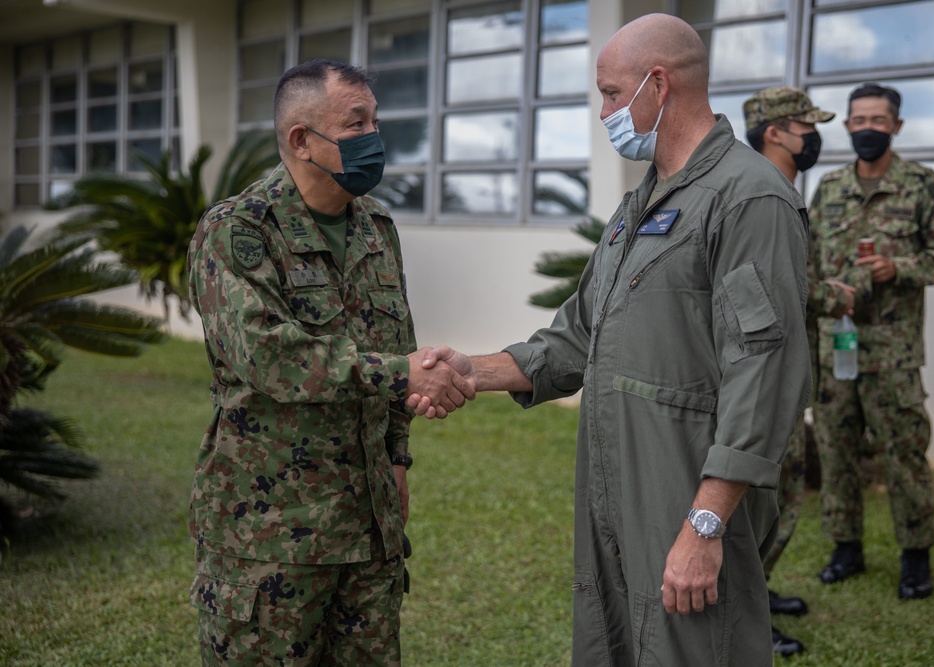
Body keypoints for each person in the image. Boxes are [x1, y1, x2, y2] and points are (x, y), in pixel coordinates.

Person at [411, 15, 811, 666]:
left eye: (608, 92)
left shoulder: (749, 199)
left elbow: (763, 370)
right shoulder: (638, 208)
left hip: (685, 501)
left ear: (658, 84)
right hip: (617, 496)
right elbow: (576, 337)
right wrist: (471, 370)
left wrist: (704, 525)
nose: (602, 112)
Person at [186, 59, 474, 666]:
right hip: (271, 533)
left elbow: (399, 341)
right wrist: (403, 374)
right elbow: (268, 355)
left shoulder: (375, 226)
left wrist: (398, 455)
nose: (374, 137)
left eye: (375, 120)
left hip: (368, 528)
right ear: (301, 140)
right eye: (356, 123)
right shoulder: (237, 231)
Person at [808, 82, 934, 600]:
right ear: (847, 126)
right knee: (836, 452)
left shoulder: (921, 184)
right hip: (836, 351)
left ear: (896, 126)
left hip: (892, 353)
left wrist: (898, 267)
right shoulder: (828, 188)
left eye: (878, 120)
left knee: (904, 455)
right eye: (858, 121)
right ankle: (845, 547)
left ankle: (915, 559)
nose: (867, 129)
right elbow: (806, 261)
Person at [742, 85, 853, 657]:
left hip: (782, 373)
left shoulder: (775, 189)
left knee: (778, 494)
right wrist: (833, 295)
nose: (814, 135)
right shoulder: (760, 193)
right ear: (775, 132)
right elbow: (776, 287)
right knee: (766, 495)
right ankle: (743, 614)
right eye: (806, 125)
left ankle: (753, 592)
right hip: (760, 379)